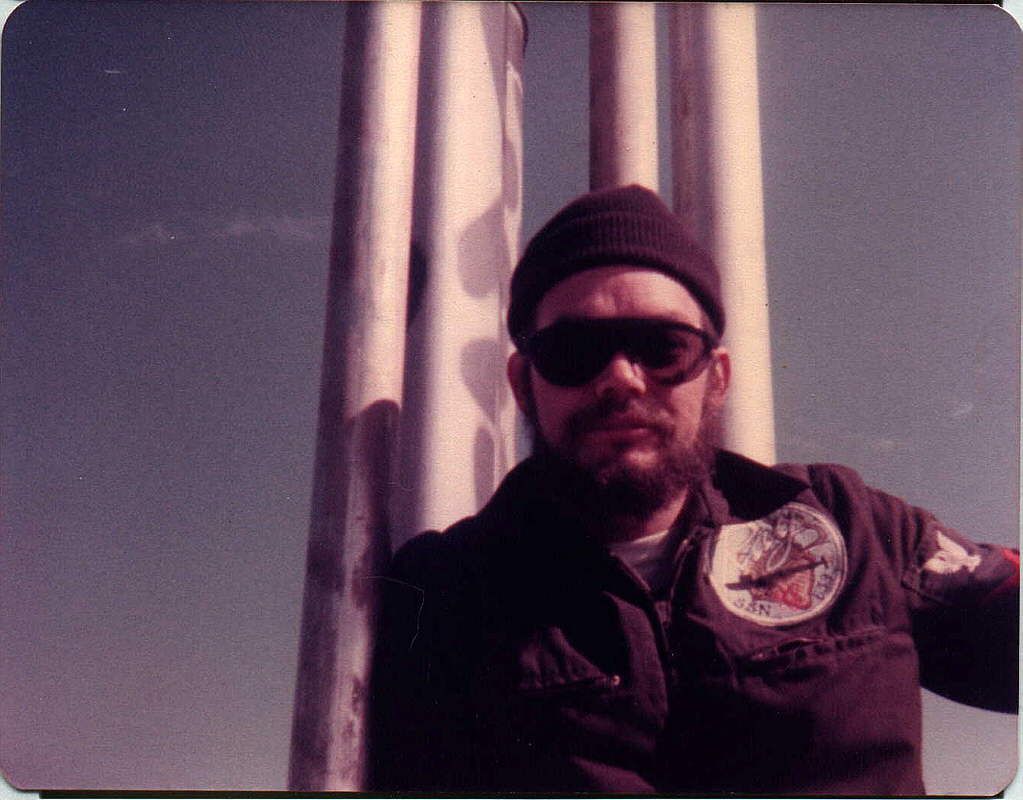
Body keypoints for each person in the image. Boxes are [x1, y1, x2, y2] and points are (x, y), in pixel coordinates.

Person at [368, 185, 1019, 794]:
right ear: (522, 384)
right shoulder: (441, 595)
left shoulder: (859, 531)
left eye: (661, 347)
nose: (621, 379)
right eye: (574, 351)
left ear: (716, 378)